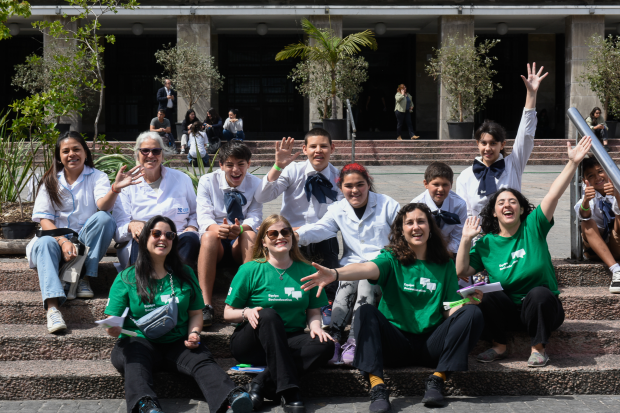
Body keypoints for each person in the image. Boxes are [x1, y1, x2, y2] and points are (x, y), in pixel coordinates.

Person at [300, 203, 484, 411]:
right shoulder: (391, 259)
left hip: (431, 344)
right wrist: (335, 273)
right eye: (409, 223)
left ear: (430, 227)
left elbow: (447, 308)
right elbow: (365, 267)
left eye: (421, 221)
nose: (416, 227)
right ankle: (377, 387)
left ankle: (437, 379)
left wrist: (465, 306)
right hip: (395, 343)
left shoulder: (445, 264)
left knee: (473, 312)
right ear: (401, 230)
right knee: (366, 311)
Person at [456, 136, 592, 367]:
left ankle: (538, 348)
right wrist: (466, 240)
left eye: (512, 202)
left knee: (539, 293)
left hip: (542, 312)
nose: (507, 205)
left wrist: (573, 163)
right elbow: (461, 270)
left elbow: (553, 194)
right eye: (501, 203)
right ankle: (499, 345)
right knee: (481, 292)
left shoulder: (533, 226)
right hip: (507, 313)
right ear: (494, 213)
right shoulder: (487, 242)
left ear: (521, 210)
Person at [105, 215, 253, 413]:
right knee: (135, 359)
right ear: (144, 239)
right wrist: (113, 329)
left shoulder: (185, 274)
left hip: (177, 341)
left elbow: (195, 313)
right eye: (156, 233)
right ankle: (145, 405)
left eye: (169, 235)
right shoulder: (127, 277)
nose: (163, 238)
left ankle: (231, 396)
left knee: (201, 358)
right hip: (139, 341)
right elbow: (111, 320)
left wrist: (194, 333)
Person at [27, 131, 140, 333]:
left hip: (84, 243)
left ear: (86, 153)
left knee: (105, 218)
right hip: (54, 241)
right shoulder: (50, 181)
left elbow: (102, 206)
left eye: (76, 149)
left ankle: (84, 277)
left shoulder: (97, 177)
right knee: (44, 243)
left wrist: (115, 189)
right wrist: (62, 241)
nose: (72, 154)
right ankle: (53, 309)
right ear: (59, 157)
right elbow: (44, 220)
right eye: (66, 151)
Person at [224, 214, 334, 413]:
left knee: (325, 345)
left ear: (292, 237)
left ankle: (259, 385)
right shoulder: (249, 270)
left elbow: (314, 312)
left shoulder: (308, 270)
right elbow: (227, 313)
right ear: (264, 241)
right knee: (268, 315)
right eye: (272, 233)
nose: (279, 236)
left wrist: (316, 327)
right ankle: (290, 391)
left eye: (285, 232)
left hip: (289, 339)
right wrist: (246, 312)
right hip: (252, 342)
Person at [296, 163, 400, 365]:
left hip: (382, 266)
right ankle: (334, 337)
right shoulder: (337, 209)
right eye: (349, 186)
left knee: (365, 281)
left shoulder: (388, 204)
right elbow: (321, 229)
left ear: (368, 184)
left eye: (360, 184)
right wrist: (296, 235)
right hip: (353, 265)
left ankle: (354, 338)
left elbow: (402, 235)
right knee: (347, 278)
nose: (355, 191)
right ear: (341, 187)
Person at [253, 130, 343, 328]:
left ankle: (327, 302)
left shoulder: (339, 178)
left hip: (322, 236)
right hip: (289, 237)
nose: (318, 151)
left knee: (327, 241)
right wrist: (278, 166)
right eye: (313, 146)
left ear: (332, 148)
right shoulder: (293, 170)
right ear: (304, 149)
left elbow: (338, 218)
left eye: (323, 146)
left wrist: (303, 230)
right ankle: (292, 302)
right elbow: (262, 197)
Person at [456, 63, 547, 219]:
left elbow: (526, 135)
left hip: (511, 235)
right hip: (480, 238)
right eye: (483, 143)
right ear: (477, 143)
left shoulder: (513, 164)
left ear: (502, 144)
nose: (488, 148)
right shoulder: (465, 176)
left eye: (493, 143)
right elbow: (464, 215)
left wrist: (531, 94)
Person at [196, 141, 263, 327]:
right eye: (230, 164)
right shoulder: (207, 181)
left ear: (248, 164)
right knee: (208, 236)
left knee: (250, 235)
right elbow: (203, 217)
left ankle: (244, 301)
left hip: (239, 241)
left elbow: (256, 216)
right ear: (221, 165)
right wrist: (219, 229)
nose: (236, 170)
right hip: (215, 240)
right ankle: (205, 304)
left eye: (241, 164)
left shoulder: (256, 184)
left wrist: (240, 229)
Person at [112, 132, 200, 271]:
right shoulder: (126, 185)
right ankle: (145, 289)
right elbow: (118, 229)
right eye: (145, 151)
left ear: (162, 155)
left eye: (156, 151)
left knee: (191, 238)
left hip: (177, 239)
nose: (151, 155)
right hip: (144, 242)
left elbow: (196, 212)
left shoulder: (182, 179)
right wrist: (131, 226)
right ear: (137, 154)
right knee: (141, 238)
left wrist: (193, 227)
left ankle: (178, 285)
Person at [574, 156, 620, 293]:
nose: (598, 177)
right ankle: (616, 271)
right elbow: (584, 214)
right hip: (597, 248)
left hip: (617, 242)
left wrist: (617, 196)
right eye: (591, 175)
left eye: (600, 171)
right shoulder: (588, 196)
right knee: (586, 223)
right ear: (585, 181)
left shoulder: (617, 187)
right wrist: (586, 201)